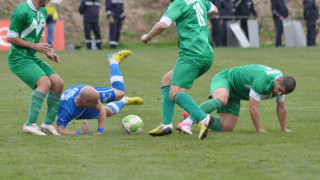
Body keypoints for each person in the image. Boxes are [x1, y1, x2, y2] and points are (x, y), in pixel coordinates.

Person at [141, 0, 218, 140]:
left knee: (174, 93)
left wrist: (148, 36)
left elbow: (162, 25)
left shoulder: (178, 3)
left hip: (191, 55)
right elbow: (214, 10)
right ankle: (166, 125)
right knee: (167, 80)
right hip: (206, 54)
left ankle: (202, 118)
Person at [176, 64, 296, 135]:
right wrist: (260, 130)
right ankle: (187, 123)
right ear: (278, 80)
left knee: (226, 127)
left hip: (237, 92)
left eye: (281, 93)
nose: (277, 93)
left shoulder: (282, 84)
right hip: (226, 79)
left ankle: (194, 115)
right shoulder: (262, 81)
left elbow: (281, 107)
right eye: (279, 89)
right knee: (222, 99)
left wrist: (284, 129)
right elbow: (253, 108)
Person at [7, 0, 64, 136]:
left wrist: (47, 51)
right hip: (19, 58)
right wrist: (34, 46)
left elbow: (41, 33)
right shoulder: (22, 11)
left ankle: (48, 124)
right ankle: (30, 124)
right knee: (45, 83)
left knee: (58, 83)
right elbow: (10, 37)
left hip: (31, 57)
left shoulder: (43, 10)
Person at [55, 50, 144, 135]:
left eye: (97, 100)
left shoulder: (90, 94)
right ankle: (125, 101)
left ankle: (114, 60)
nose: (98, 103)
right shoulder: (67, 111)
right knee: (108, 112)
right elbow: (59, 130)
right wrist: (79, 132)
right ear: (85, 103)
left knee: (120, 93)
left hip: (84, 91)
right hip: (78, 108)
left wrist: (100, 131)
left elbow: (100, 108)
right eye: (95, 102)